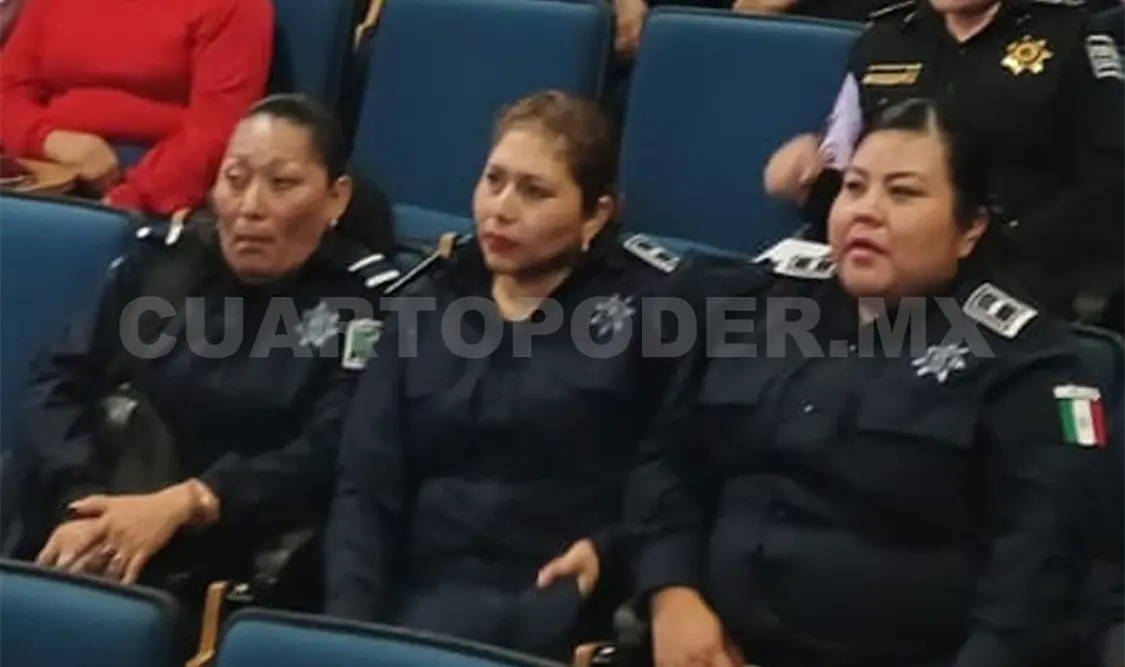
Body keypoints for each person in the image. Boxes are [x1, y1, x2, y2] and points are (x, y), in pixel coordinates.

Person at [633, 98, 1106, 667]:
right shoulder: (759, 305)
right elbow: (669, 462)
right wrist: (670, 593)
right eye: (854, 188)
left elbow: (1034, 578)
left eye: (902, 194)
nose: (866, 211)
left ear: (969, 227)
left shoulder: (1029, 364)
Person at [324, 90, 695, 660]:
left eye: (534, 191)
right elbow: (366, 485)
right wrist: (347, 632)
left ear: (594, 214)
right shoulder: (428, 301)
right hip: (410, 601)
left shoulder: (651, 314)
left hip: (554, 611)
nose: (500, 208)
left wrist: (610, 549)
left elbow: (672, 482)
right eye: (493, 180)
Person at [11, 95, 402, 606]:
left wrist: (193, 501)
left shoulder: (366, 304)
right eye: (235, 179)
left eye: (281, 184)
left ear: (335, 198)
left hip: (228, 549)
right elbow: (56, 380)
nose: (250, 206)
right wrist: (80, 502)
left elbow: (331, 450)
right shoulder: (160, 267)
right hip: (89, 512)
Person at [763, 0, 1125, 325]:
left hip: (1020, 277)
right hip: (885, 273)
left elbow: (1108, 182)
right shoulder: (885, 38)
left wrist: (1003, 255)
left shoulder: (1070, 36)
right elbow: (845, 173)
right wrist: (806, 177)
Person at [0, 0, 273, 215]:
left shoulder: (235, 6)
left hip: (148, 177)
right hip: (42, 167)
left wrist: (129, 198)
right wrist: (48, 140)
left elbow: (215, 132)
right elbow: (7, 89)